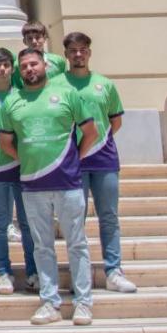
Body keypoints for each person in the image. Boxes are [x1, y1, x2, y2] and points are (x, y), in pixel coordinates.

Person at [0, 48, 99, 326]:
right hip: (32, 186)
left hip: (68, 183)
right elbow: (6, 143)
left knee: (76, 244)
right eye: (24, 66)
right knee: (42, 247)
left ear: (45, 65)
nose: (29, 69)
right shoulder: (13, 101)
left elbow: (91, 132)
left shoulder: (67, 94)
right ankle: (50, 302)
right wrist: (28, 159)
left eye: (34, 63)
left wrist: (73, 159)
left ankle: (83, 303)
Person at [63, 31, 137, 294]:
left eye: (82, 50)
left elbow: (115, 121)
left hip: (104, 159)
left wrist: (97, 143)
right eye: (73, 50)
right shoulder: (59, 84)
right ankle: (79, 273)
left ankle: (114, 271)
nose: (78, 54)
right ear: (66, 54)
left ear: (89, 53)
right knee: (75, 219)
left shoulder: (105, 85)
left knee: (108, 217)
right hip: (73, 163)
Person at [0, 47, 36, 295]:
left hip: (23, 166)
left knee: (27, 223)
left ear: (12, 68)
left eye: (6, 65)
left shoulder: (24, 95)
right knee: (0, 225)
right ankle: (4, 272)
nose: (2, 69)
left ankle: (33, 270)